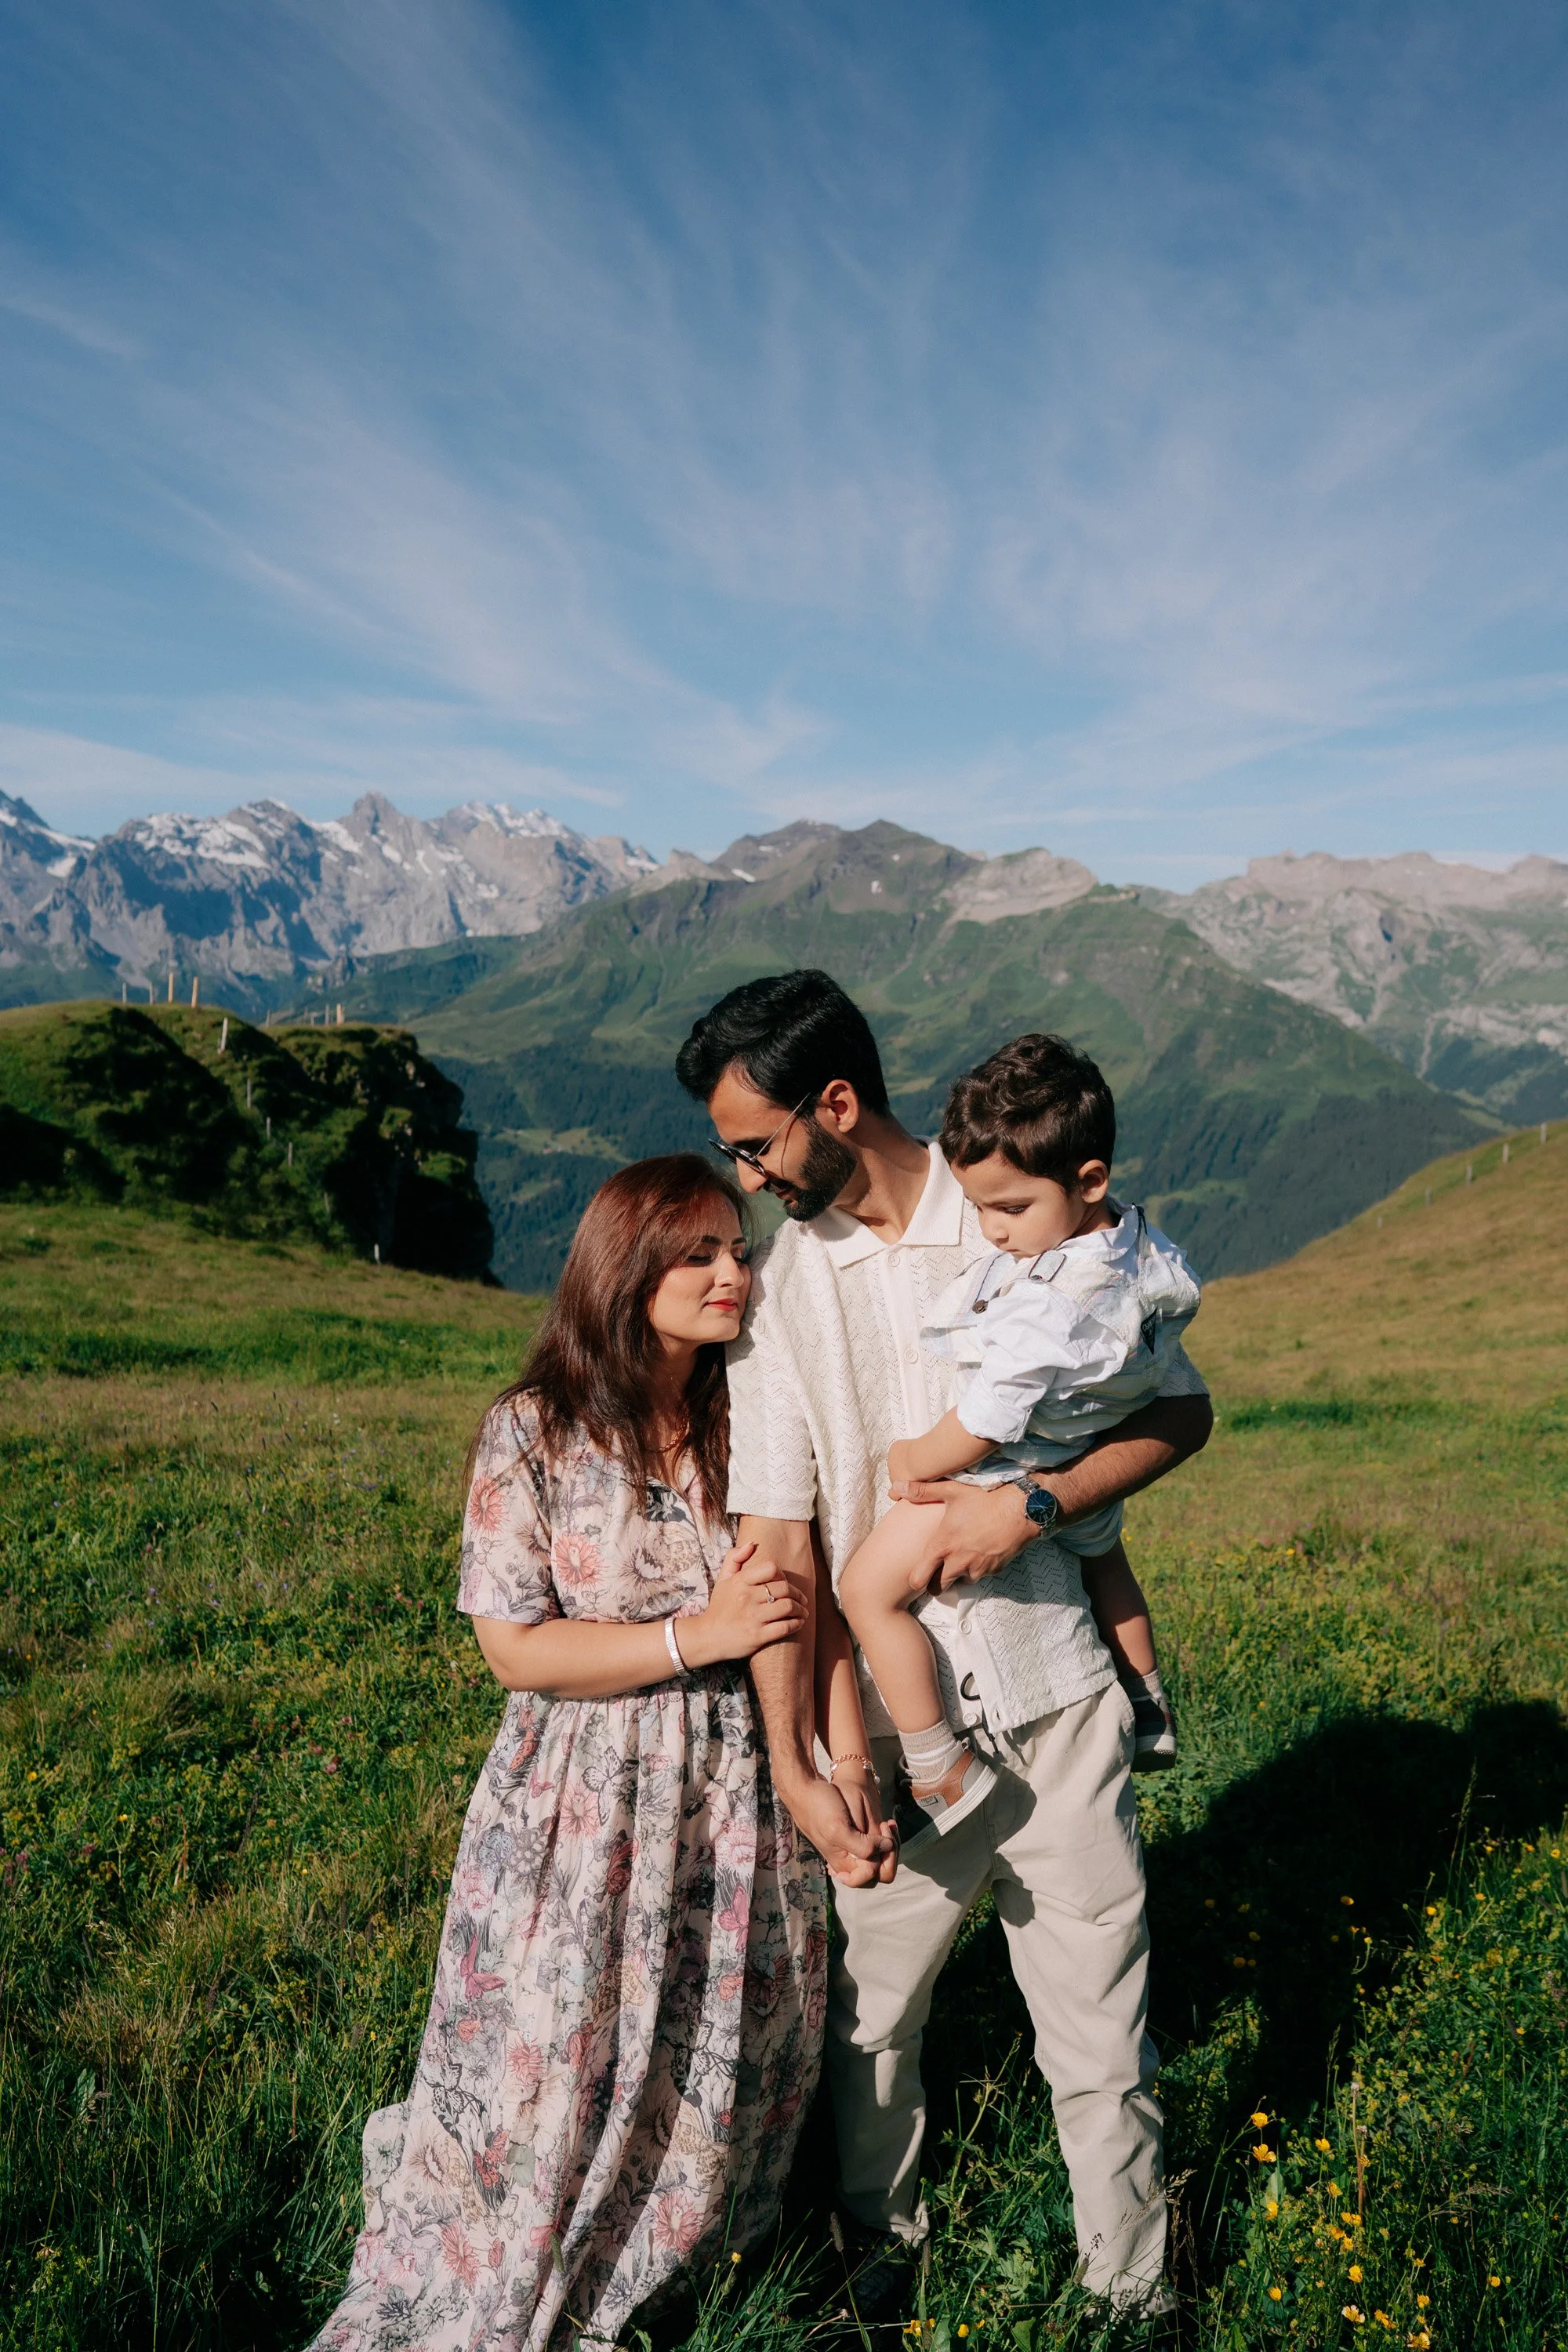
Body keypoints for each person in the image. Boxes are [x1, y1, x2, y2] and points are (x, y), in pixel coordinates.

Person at [675, 971, 1214, 2320]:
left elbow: (1182, 1416)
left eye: (753, 1142)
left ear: (836, 1105)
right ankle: (879, 2259)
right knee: (868, 2019)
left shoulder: (1021, 1217)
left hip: (1051, 1691)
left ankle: (1131, 2300)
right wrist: (808, 1758)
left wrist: (1030, 1504)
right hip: (897, 1742)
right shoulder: (786, 1291)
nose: (742, 1177)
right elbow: (780, 1540)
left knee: (1098, 2024)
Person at [311, 1155, 837, 2352]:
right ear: (626, 1268)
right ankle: (532, 2235)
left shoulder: (746, 1414)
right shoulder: (533, 1429)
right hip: (580, 1789)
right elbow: (516, 1649)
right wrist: (691, 1633)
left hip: (729, 1780)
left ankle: (691, 2250)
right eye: (699, 1253)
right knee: (564, 2036)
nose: (731, 1275)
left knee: (725, 2029)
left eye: (737, 1250)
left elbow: (800, 1588)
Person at [837, 1031, 1198, 1832]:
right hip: (1086, 1462)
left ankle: (935, 1765)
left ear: (1088, 1179)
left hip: (1009, 1468)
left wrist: (910, 1457)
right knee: (1106, 1564)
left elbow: (982, 1423)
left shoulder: (1046, 1307)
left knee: (865, 1590)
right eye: (974, 1207)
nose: (991, 1231)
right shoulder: (1138, 1248)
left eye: (1008, 1208)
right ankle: (1147, 1700)